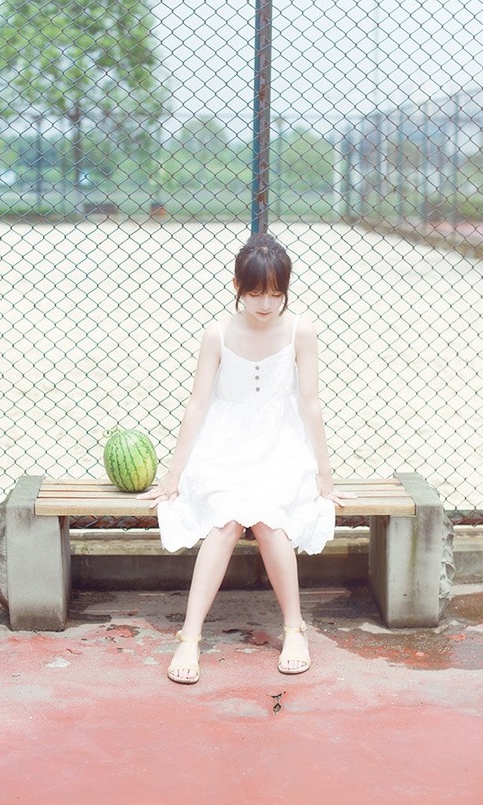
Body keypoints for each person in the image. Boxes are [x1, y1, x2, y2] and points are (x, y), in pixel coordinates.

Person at [138, 233, 353, 684]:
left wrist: (325, 476)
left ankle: (294, 629)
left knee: (270, 522)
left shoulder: (301, 330)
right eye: (255, 293)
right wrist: (174, 475)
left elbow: (310, 404)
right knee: (226, 521)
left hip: (280, 445)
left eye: (275, 293)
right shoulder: (217, 333)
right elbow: (198, 404)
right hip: (224, 446)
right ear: (237, 285)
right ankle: (189, 637)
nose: (266, 304)